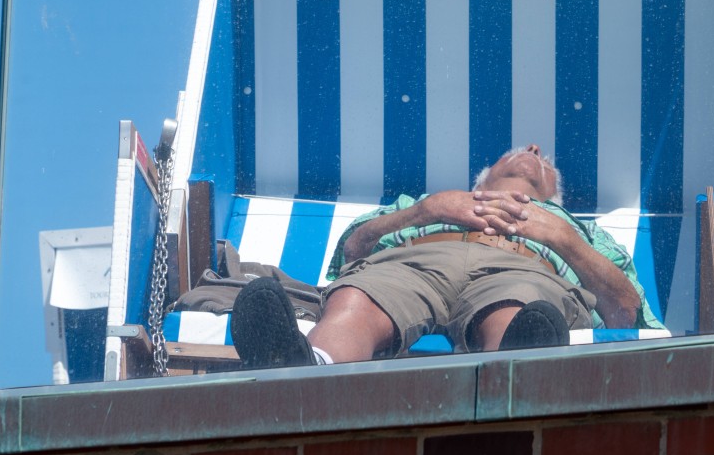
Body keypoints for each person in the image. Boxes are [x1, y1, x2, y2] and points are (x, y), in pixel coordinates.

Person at [231, 144, 664, 368]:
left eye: (544, 158)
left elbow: (625, 311)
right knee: (363, 292)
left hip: (523, 268)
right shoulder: (424, 201)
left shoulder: (580, 229)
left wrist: (562, 238)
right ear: (484, 176)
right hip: (415, 260)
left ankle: (513, 379)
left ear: (554, 192)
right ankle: (298, 366)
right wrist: (426, 210)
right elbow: (352, 252)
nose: (533, 150)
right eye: (520, 151)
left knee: (520, 310)